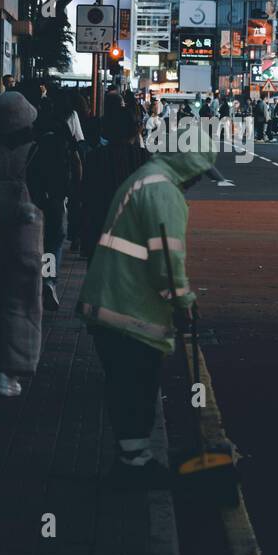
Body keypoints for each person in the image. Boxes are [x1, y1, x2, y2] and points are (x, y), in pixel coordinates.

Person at [78, 125, 222, 487]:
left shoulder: (147, 178)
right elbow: (167, 263)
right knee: (135, 387)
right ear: (187, 163)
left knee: (128, 387)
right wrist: (184, 301)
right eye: (199, 172)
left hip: (113, 302)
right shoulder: (163, 192)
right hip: (127, 310)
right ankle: (134, 464)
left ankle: (133, 457)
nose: (197, 182)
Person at [0, 90, 45, 397]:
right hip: (26, 238)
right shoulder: (36, 152)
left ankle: (5, 364)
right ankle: (13, 370)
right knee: (24, 301)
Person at [80, 95, 146, 259]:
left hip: (100, 228)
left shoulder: (94, 157)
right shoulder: (144, 157)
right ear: (135, 129)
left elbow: (86, 196)